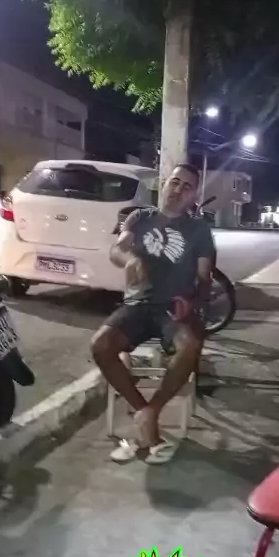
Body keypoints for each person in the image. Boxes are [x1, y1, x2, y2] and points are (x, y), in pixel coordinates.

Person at [91, 163, 215, 464]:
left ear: (194, 195)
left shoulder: (198, 229)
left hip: (174, 308)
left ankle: (151, 411)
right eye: (175, 182)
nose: (178, 189)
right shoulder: (139, 217)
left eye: (187, 186)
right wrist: (129, 259)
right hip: (137, 305)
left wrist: (193, 301)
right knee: (100, 345)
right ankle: (143, 412)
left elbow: (205, 278)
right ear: (165, 183)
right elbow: (117, 249)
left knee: (191, 345)